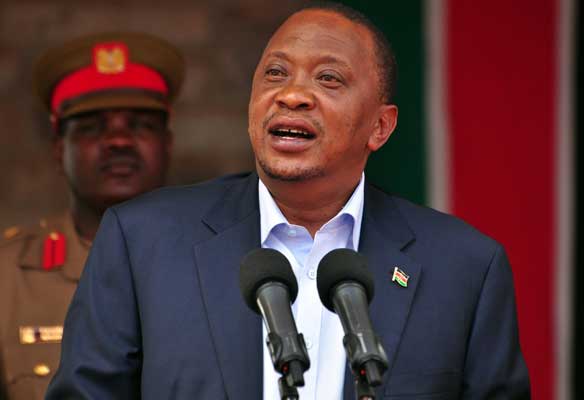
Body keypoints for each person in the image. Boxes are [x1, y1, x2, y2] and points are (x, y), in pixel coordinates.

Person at [46, 4, 530, 399]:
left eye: (329, 79)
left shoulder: (465, 268)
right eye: (275, 73)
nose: (293, 94)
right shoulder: (142, 242)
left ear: (380, 127)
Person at [0, 32, 184, 399]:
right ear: (58, 148)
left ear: (168, 143)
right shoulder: (7, 277)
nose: (119, 141)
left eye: (140, 125)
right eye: (91, 128)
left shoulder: (221, 261)